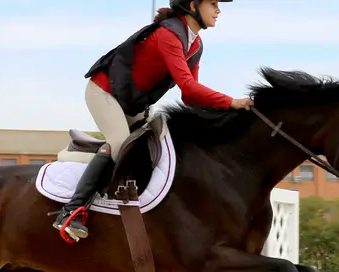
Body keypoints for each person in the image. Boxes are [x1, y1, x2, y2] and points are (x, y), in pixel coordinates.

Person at [51, 0, 254, 240]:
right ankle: (70, 211)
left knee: (148, 151)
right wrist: (231, 101)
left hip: (130, 104)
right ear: (192, 5)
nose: (218, 10)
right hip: (103, 92)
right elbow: (187, 85)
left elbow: (189, 96)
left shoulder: (195, 44)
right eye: (212, 3)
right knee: (120, 144)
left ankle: (83, 161)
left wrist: (224, 113)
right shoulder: (168, 35)